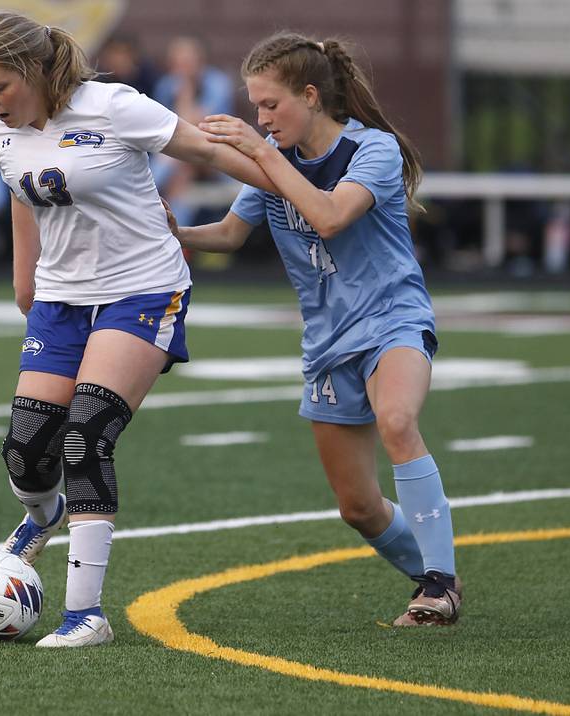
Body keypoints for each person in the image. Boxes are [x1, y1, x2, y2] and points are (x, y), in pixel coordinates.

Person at [0, 11, 276, 647]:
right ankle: (44, 516)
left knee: (87, 433)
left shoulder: (114, 105)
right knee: (24, 450)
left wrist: (306, 190)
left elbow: (208, 151)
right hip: (62, 299)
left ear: (36, 72)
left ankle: (85, 615)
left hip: (143, 289)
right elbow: (23, 194)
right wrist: (26, 280)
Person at [166, 32, 461, 626]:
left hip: (391, 320)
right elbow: (228, 235)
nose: (261, 118)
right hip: (327, 343)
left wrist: (261, 153)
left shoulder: (370, 150)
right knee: (358, 508)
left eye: (271, 105)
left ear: (310, 95)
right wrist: (174, 234)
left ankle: (438, 587)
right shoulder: (275, 162)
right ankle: (428, 573)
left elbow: (327, 217)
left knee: (398, 421)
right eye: (254, 107)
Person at [152, 36, 235, 229]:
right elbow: (159, 128)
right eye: (177, 63)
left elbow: (197, 124)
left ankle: (150, 188)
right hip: (183, 160)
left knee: (179, 159)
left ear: (200, 61)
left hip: (218, 153)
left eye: (187, 62)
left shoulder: (218, 83)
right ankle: (180, 235)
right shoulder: (165, 85)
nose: (182, 68)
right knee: (182, 171)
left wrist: (185, 93)